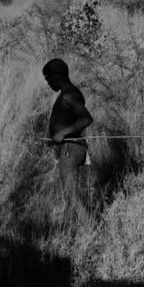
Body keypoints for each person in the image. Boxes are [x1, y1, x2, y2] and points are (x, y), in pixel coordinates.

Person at [43, 58, 93, 190]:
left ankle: (84, 212)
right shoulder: (68, 93)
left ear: (56, 76)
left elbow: (86, 119)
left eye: (48, 79)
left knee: (72, 198)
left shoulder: (68, 96)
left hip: (70, 148)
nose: (48, 83)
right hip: (69, 148)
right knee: (70, 198)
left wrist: (62, 133)